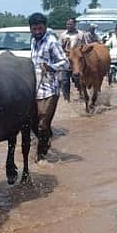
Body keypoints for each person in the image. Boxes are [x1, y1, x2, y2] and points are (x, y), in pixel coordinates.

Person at [28, 12, 69, 160]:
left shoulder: (52, 42)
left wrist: (51, 67)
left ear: (45, 27)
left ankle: (41, 156)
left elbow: (65, 63)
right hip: (34, 87)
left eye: (40, 29)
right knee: (32, 123)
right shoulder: (33, 41)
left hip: (50, 88)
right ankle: (46, 141)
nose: (37, 32)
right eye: (34, 29)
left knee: (43, 124)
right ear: (31, 29)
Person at [59, 17, 92, 101]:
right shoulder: (63, 35)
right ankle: (67, 99)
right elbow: (59, 48)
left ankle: (81, 93)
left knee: (78, 79)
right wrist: (64, 44)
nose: (68, 26)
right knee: (65, 80)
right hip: (67, 60)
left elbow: (86, 46)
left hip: (77, 60)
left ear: (74, 24)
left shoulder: (81, 34)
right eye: (67, 24)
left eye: (70, 24)